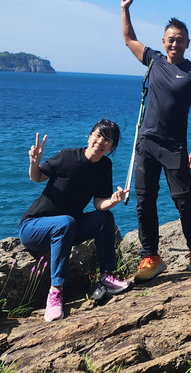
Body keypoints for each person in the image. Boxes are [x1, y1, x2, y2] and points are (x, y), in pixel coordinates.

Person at [121, 0, 191, 282]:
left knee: (184, 201)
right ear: (163, 41)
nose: (175, 43)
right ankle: (150, 257)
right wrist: (125, 10)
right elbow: (129, 39)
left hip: (175, 147)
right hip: (147, 143)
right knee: (144, 200)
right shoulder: (154, 61)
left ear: (187, 43)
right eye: (171, 39)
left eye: (180, 40)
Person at [19, 119, 131, 322]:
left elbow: (99, 203)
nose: (100, 142)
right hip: (34, 227)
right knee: (66, 222)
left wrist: (113, 201)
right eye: (98, 135)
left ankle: (107, 276)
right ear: (89, 136)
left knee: (104, 218)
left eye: (107, 140)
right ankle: (55, 290)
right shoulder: (67, 157)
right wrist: (34, 162)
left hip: (67, 228)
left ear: (111, 147)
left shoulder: (105, 165)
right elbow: (37, 177)